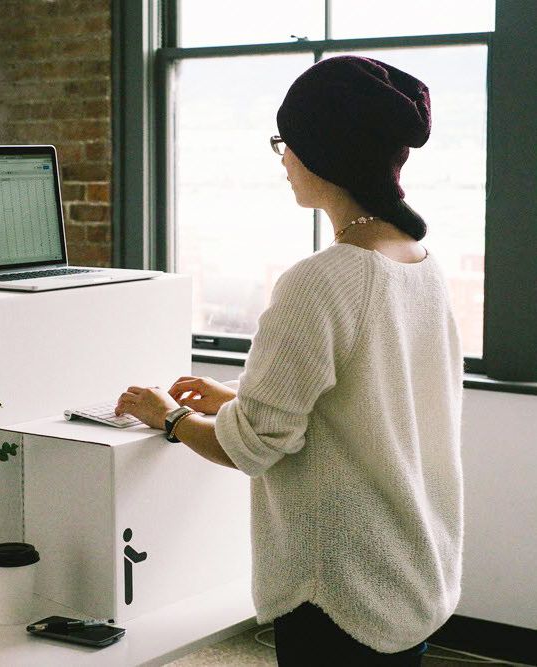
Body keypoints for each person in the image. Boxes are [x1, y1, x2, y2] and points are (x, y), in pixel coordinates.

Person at [115, 55, 464, 666]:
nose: (281, 157)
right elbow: (360, 401)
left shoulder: (321, 281)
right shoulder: (419, 262)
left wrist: (168, 417)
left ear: (322, 152)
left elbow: (253, 447)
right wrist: (235, 397)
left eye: (286, 142)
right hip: (411, 568)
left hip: (341, 590)